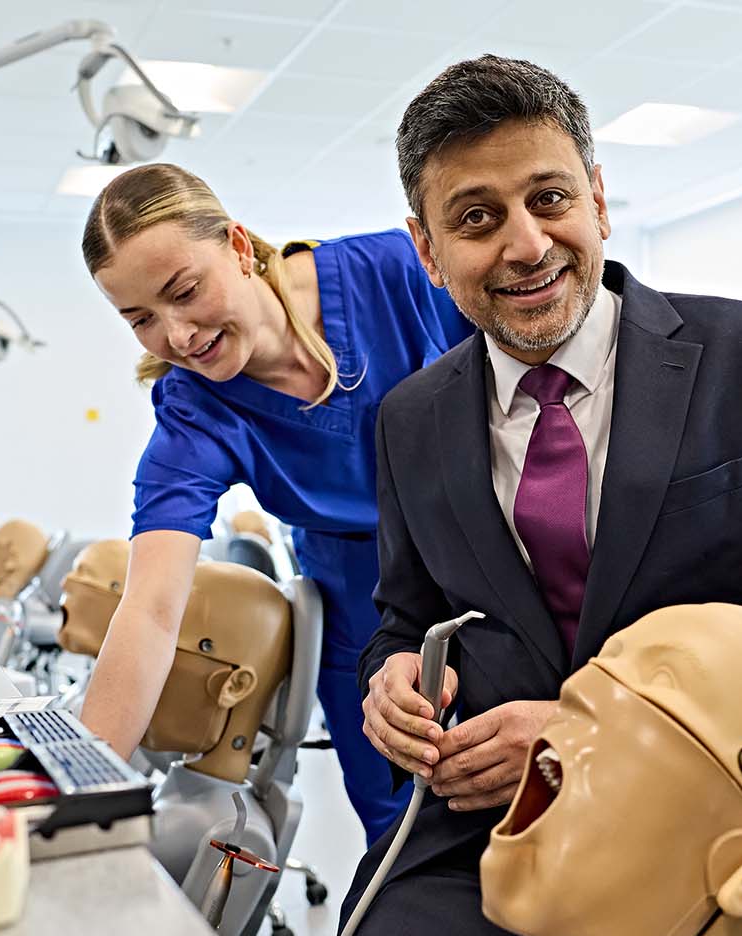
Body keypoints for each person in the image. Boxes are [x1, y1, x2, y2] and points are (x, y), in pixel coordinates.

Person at [308, 56, 742, 936]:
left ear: (597, 198)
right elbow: (405, 613)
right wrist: (394, 678)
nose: (527, 243)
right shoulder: (410, 421)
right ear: (428, 250)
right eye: (478, 217)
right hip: (496, 839)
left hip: (721, 842)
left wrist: (604, 739)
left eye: (548, 199)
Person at [79, 164, 472, 844]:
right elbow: (149, 610)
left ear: (237, 246)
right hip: (361, 600)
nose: (176, 336)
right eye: (140, 318)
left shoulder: (397, 272)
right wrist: (77, 796)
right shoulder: (196, 413)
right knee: (406, 827)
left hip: (492, 554)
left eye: (184, 291)